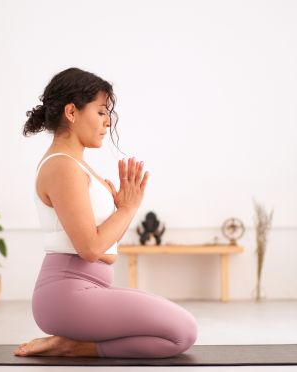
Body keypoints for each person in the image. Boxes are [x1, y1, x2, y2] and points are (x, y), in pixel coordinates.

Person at [14, 68, 198, 359]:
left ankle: (74, 345)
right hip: (67, 296)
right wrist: (127, 209)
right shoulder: (63, 167)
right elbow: (90, 249)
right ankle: (76, 347)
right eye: (100, 112)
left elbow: (107, 251)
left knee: (181, 331)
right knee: (183, 332)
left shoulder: (77, 167)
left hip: (83, 291)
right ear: (72, 112)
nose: (107, 122)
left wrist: (119, 212)